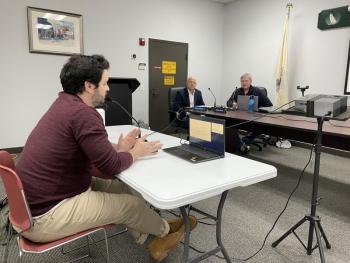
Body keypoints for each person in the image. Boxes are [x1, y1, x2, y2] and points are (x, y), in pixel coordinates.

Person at [16, 54, 197, 262]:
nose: (108, 88)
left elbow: (90, 148)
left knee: (125, 189)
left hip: (42, 199)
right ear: (89, 86)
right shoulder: (83, 114)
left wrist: (121, 148)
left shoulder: (64, 104)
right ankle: (164, 234)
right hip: (45, 216)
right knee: (130, 205)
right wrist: (136, 152)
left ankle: (151, 229)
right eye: (105, 83)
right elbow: (111, 166)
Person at [226, 73, 273, 153]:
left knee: (260, 125)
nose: (244, 83)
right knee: (229, 123)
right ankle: (239, 143)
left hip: (253, 117)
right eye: (242, 81)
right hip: (239, 116)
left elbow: (269, 105)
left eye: (246, 81)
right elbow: (228, 102)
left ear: (250, 82)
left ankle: (244, 142)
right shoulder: (237, 91)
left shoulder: (257, 91)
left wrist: (259, 109)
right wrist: (233, 104)